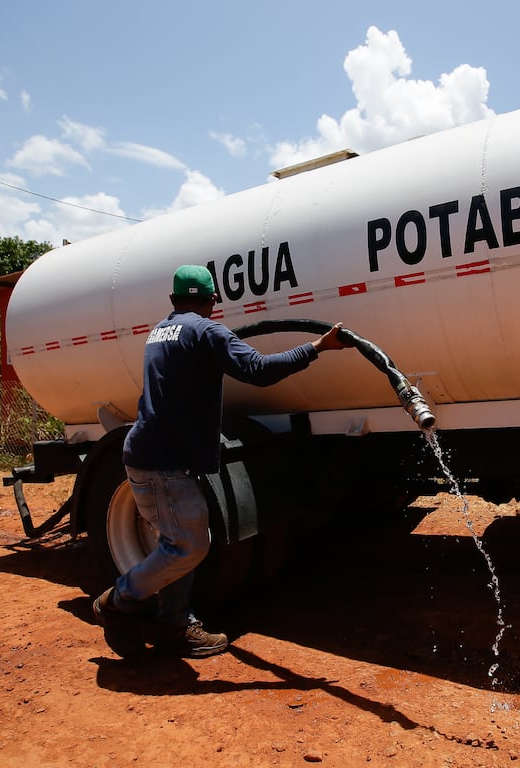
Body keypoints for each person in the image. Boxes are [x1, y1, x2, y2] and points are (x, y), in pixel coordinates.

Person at [93, 264, 348, 658]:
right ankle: (117, 602)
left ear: (174, 300)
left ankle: (174, 626)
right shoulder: (207, 331)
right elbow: (259, 371)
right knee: (188, 545)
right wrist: (317, 348)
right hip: (164, 460)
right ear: (213, 299)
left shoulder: (160, 331)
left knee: (179, 541)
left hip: (151, 452)